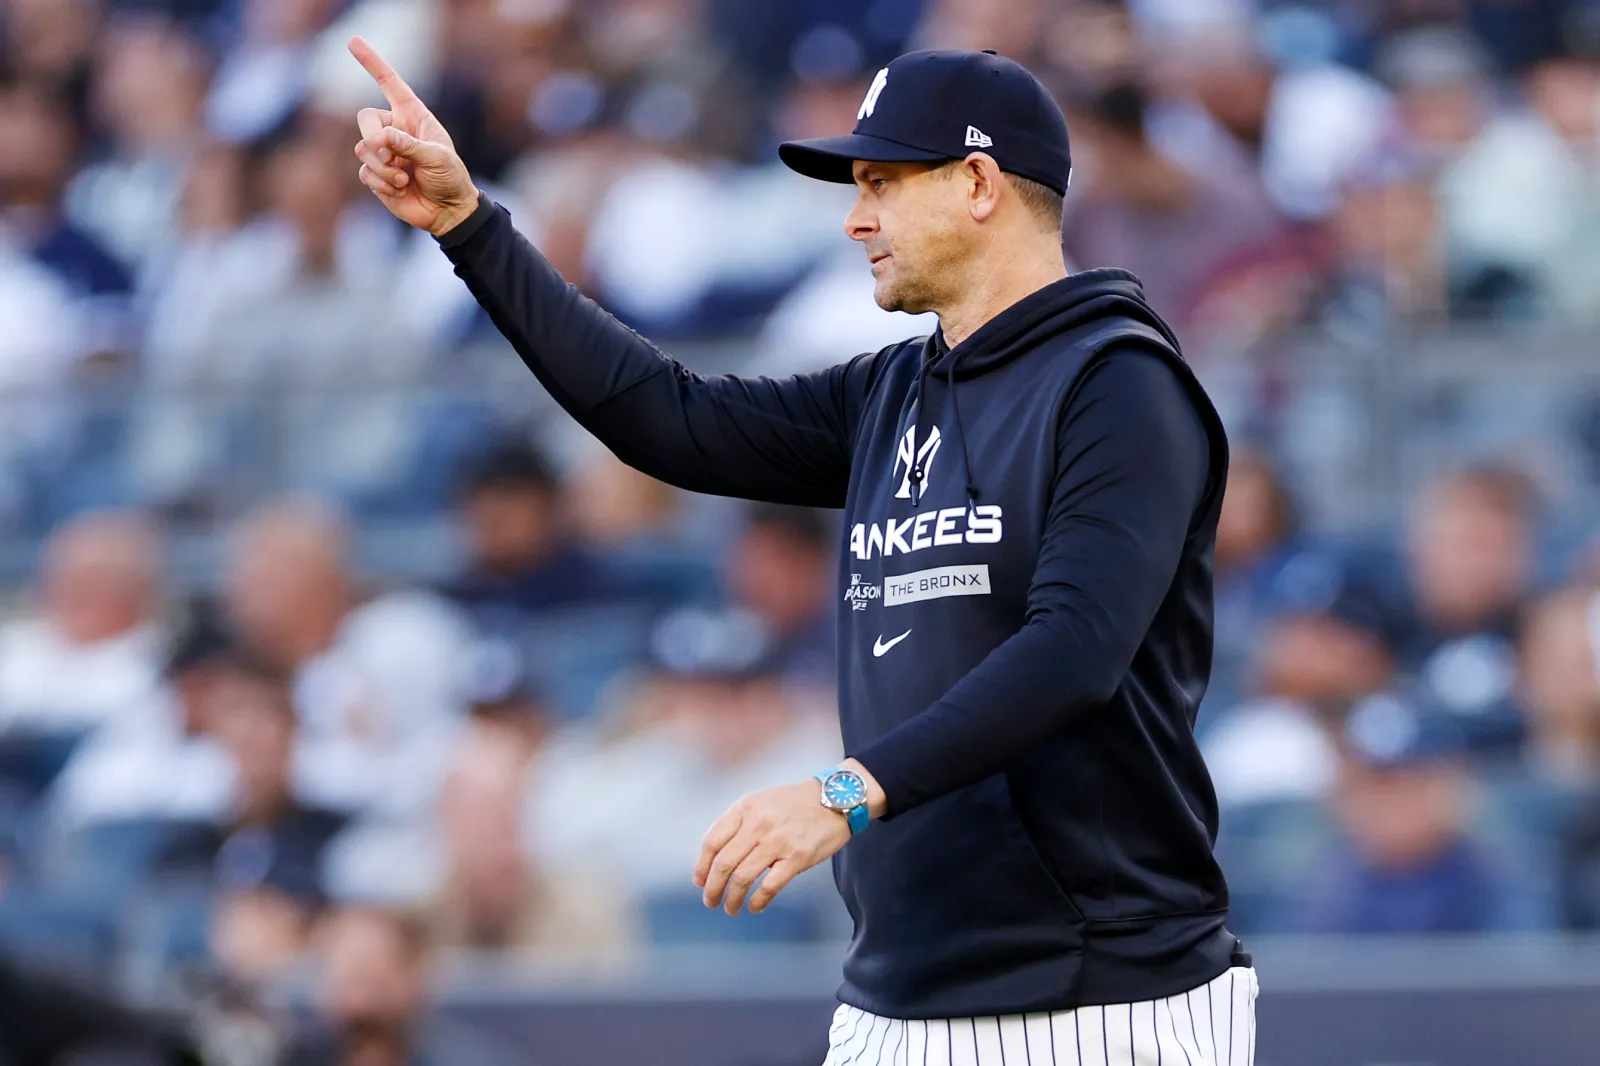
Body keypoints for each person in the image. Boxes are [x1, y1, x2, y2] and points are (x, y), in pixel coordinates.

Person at [349, 39, 1252, 1065]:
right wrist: (471, 227)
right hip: (896, 992)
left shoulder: (1119, 382)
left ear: (978, 183)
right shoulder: (893, 393)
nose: (854, 218)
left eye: (880, 183)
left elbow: (1074, 651)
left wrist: (844, 791)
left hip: (1100, 997)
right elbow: (667, 419)